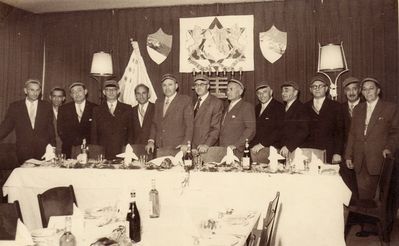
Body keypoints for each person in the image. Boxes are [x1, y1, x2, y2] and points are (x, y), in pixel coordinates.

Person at [345, 77, 399, 199]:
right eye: (364, 89)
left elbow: (396, 133)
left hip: (380, 159)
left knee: (382, 199)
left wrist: (389, 148)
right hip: (360, 160)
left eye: (371, 89)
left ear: (378, 91)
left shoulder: (390, 108)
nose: (368, 92)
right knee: (364, 199)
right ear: (361, 92)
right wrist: (348, 155)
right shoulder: (358, 109)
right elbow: (352, 133)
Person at [0, 79, 55, 164]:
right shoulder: (15, 106)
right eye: (32, 90)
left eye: (37, 90)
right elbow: (6, 126)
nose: (35, 93)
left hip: (43, 150)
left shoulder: (46, 106)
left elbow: (50, 128)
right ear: (25, 90)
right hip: (23, 149)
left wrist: (53, 147)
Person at [145, 74, 193, 154]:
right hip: (159, 147)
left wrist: (186, 143)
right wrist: (151, 141)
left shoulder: (185, 100)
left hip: (178, 147)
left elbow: (189, 126)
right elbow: (154, 123)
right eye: (164, 85)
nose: (167, 88)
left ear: (176, 86)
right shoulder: (158, 102)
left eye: (170, 84)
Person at [304, 75, 344, 163]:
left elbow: (340, 132)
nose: (317, 89)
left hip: (330, 152)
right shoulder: (304, 107)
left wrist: (337, 153)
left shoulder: (336, 106)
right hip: (310, 152)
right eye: (314, 86)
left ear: (326, 89)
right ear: (310, 90)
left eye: (320, 86)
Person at [91, 80, 132, 159]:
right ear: (104, 92)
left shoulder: (127, 108)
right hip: (103, 150)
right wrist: (96, 150)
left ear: (118, 91)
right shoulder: (97, 110)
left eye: (114, 89)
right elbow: (94, 133)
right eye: (108, 90)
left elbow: (131, 131)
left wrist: (128, 149)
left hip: (121, 149)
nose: (111, 92)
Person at [57, 82, 97, 158]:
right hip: (69, 149)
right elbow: (61, 130)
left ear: (85, 92)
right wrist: (75, 144)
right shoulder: (64, 109)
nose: (77, 94)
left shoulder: (95, 108)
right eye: (73, 92)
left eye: (79, 90)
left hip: (89, 149)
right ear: (71, 95)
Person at [219, 78, 256, 154]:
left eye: (231, 89)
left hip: (236, 151)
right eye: (227, 89)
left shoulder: (246, 107)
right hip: (223, 150)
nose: (228, 92)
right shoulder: (227, 107)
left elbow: (251, 130)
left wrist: (236, 145)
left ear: (240, 92)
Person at [340, 76, 362, 198]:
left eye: (354, 89)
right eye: (348, 89)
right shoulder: (340, 108)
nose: (351, 92)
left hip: (362, 155)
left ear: (359, 90)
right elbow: (338, 132)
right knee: (347, 190)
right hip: (344, 155)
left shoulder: (366, 106)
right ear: (344, 92)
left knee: (362, 191)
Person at [192, 74, 223, 153]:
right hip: (192, 148)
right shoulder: (192, 102)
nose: (198, 87)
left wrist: (206, 144)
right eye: (196, 85)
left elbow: (216, 129)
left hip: (206, 149)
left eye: (202, 84)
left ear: (208, 86)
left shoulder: (216, 103)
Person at [251, 81, 284, 153]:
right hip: (256, 148)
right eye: (259, 93)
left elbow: (279, 130)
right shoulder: (256, 108)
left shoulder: (279, 107)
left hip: (272, 149)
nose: (261, 95)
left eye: (264, 92)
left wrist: (262, 144)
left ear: (271, 92)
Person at [279, 81, 309, 158]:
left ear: (295, 92)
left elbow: (304, 131)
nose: (283, 93)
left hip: (295, 150)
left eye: (286, 90)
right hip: (283, 150)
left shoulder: (302, 108)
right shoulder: (282, 108)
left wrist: (289, 146)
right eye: (282, 91)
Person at [49, 87, 66, 154]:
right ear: (50, 97)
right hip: (50, 148)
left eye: (59, 96)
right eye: (54, 96)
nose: (56, 99)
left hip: (64, 147)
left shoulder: (68, 112)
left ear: (63, 98)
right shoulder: (45, 111)